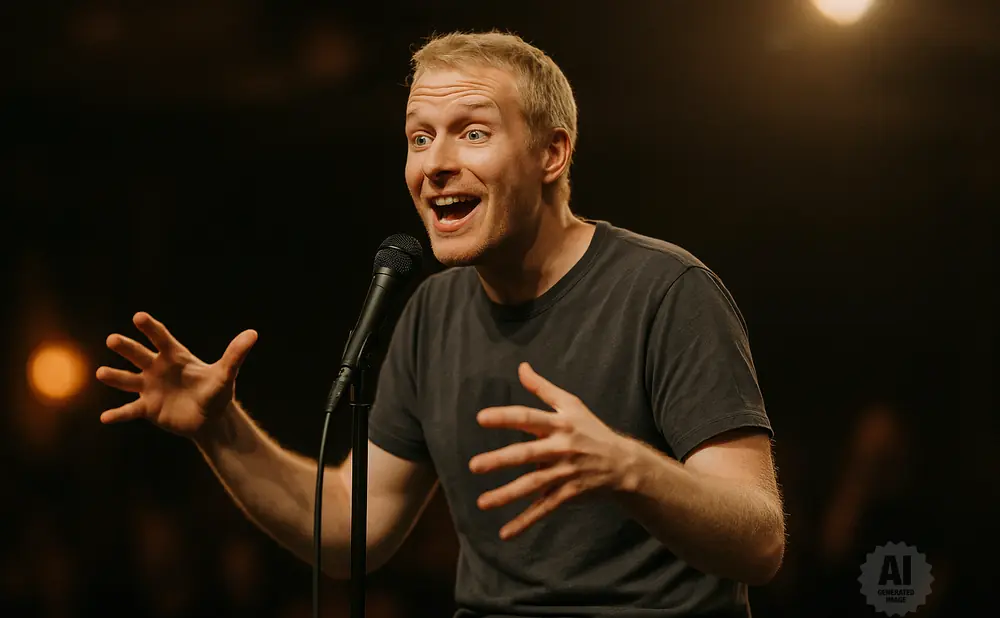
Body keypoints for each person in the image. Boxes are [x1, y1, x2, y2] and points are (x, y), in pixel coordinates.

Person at [97, 30, 785, 618]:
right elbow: (348, 528)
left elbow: (760, 541)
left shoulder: (667, 290)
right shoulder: (431, 311)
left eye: (473, 133)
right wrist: (220, 429)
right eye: (419, 137)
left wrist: (628, 467)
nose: (435, 164)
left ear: (552, 154)